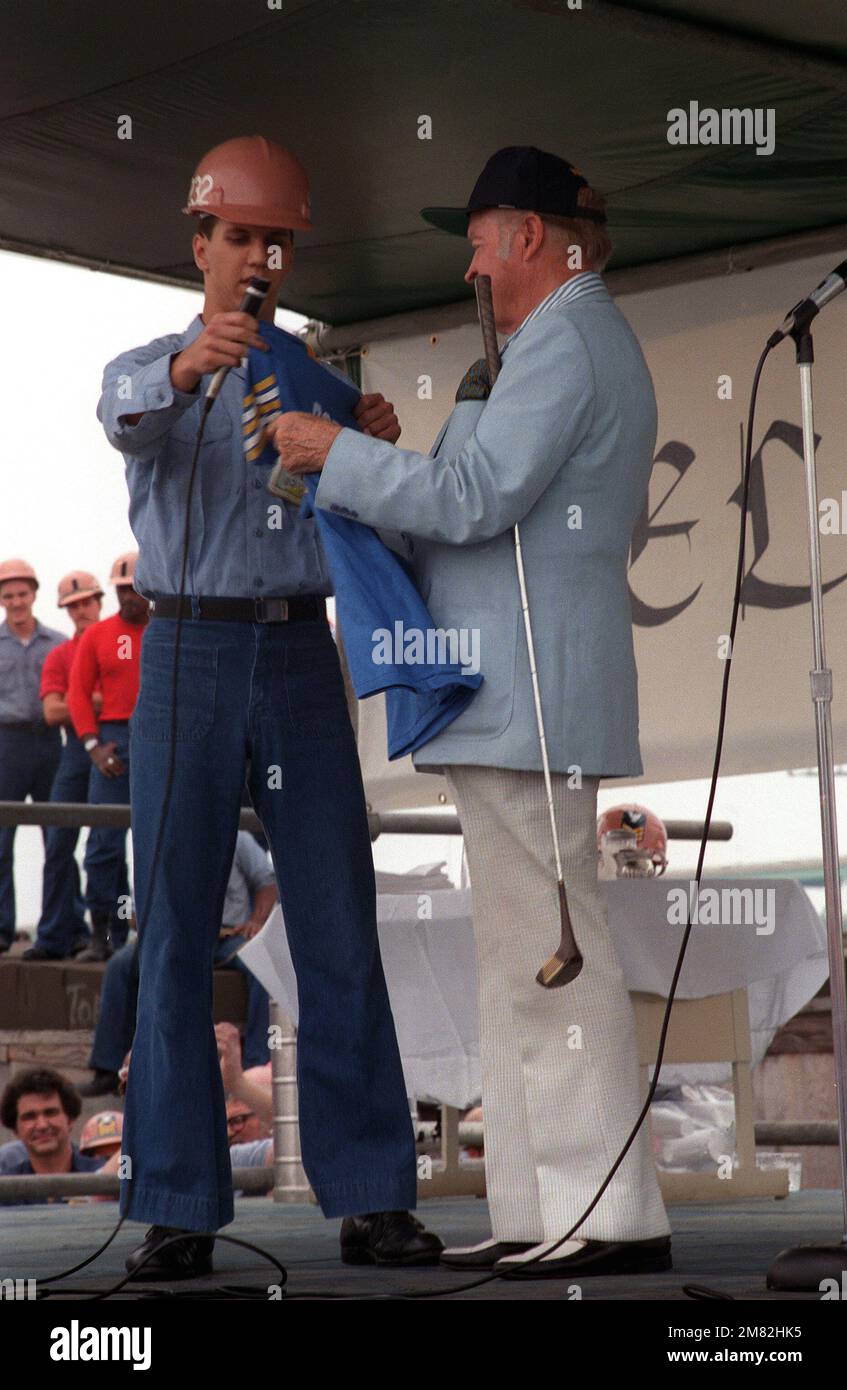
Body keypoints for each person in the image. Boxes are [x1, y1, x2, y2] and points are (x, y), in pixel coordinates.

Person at [267, 146, 673, 1279]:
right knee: (517, 963)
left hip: (529, 690)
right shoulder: (553, 344)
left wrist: (337, 451)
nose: (473, 261)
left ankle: (609, 1211)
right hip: (505, 690)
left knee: (557, 955)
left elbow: (474, 497)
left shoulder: (570, 341)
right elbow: (464, 505)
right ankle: (549, 1205)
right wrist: (349, 465)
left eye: (484, 237)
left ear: (533, 238)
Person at [97, 134, 442, 1279]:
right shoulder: (148, 364)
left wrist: (371, 443)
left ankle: (374, 1195)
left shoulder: (315, 380)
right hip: (187, 648)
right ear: (200, 244)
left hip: (298, 655)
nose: (257, 256)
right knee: (174, 931)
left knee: (338, 921)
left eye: (275, 240)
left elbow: (373, 518)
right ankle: (179, 1204)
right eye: (238, 236)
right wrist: (195, 366)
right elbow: (124, 417)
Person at [78, 831, 279, 1096]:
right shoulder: (158, 842)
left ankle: (256, 1063)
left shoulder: (238, 838)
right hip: (174, 938)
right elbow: (133, 914)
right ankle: (107, 1067)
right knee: (119, 966)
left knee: (263, 967)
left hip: (228, 936)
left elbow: (267, 883)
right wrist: (164, 924)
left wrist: (256, 920)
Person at [67, 552, 148, 961]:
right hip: (114, 739)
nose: (127, 597)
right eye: (121, 589)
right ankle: (105, 933)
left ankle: (154, 932)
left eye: (134, 587)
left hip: (163, 739)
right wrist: (92, 746)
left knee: (161, 842)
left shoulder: (172, 631)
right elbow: (77, 694)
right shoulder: (98, 636)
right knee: (104, 844)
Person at [24, 570, 105, 960]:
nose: (80, 611)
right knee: (58, 842)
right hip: (75, 751)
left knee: (106, 844)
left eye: (86, 602)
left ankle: (108, 937)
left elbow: (131, 696)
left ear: (100, 601)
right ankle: (54, 935)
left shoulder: (115, 642)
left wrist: (77, 700)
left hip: (115, 747)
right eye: (73, 606)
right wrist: (95, 701)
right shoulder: (60, 654)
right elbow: (53, 711)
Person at [0, 559, 65, 952]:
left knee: (59, 835)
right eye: (8, 595)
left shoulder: (58, 643)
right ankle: (2, 928)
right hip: (7, 744)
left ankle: (61, 929)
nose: (16, 601)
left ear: (35, 594)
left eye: (22, 593)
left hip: (48, 741)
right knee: (1, 839)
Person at [0, 1067, 105, 1204]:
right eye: (30, 1117)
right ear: (15, 1130)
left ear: (70, 1119)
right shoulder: (5, 1188)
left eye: (50, 1113)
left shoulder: (102, 1174)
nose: (42, 1125)